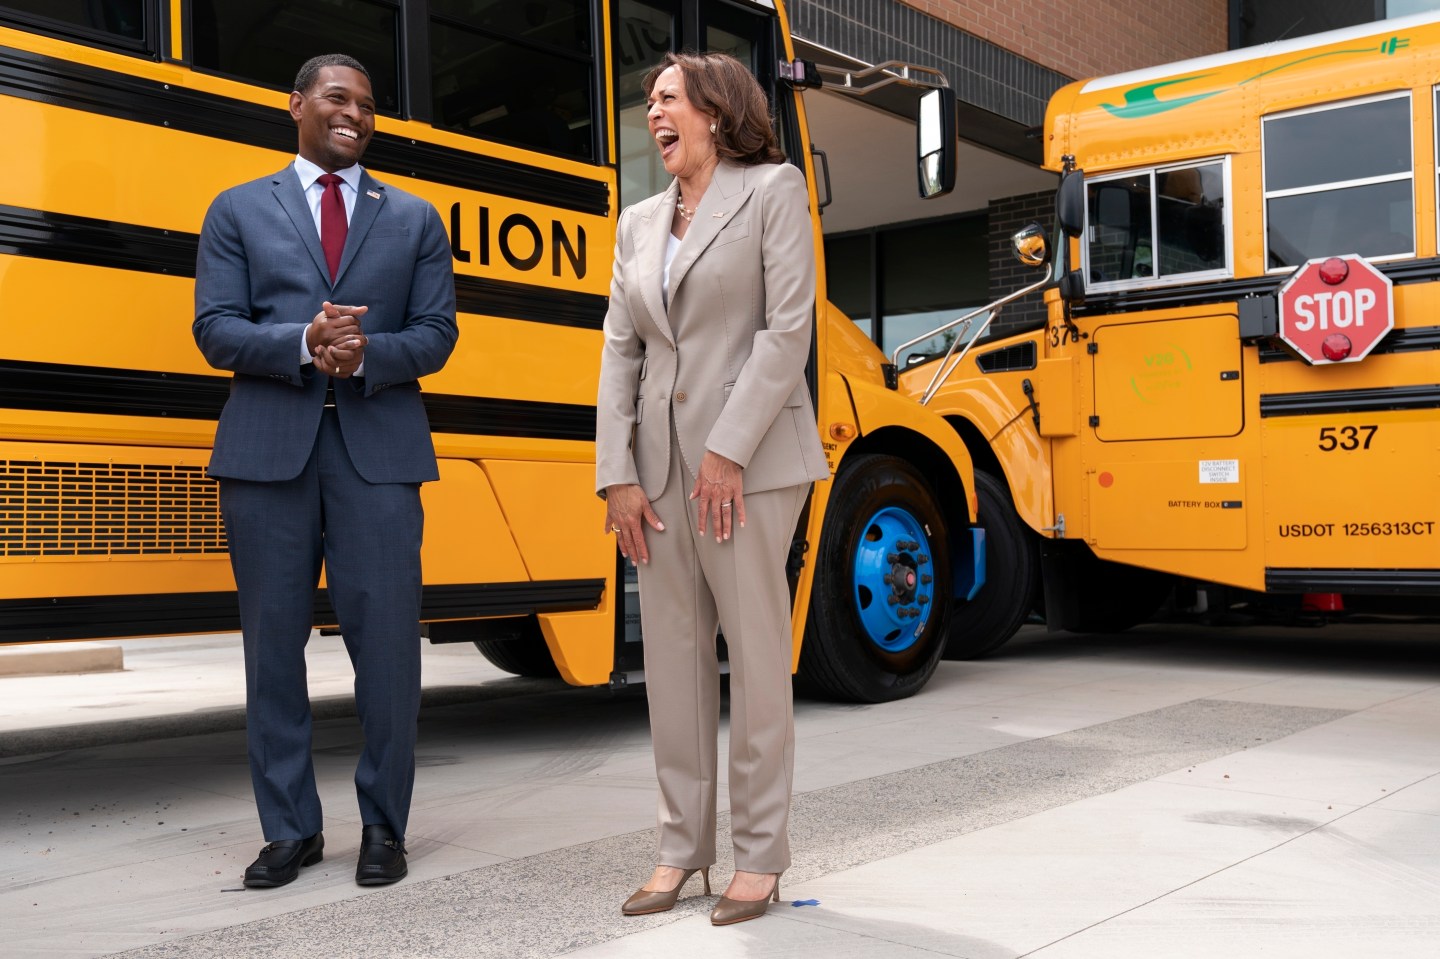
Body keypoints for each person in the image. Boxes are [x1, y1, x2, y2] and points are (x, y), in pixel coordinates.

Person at [193, 53, 458, 890]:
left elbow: (437, 334)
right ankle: (289, 830)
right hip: (267, 455)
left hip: (378, 457)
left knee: (387, 653)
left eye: (368, 106)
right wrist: (304, 343)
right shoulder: (237, 209)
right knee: (272, 650)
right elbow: (215, 327)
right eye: (338, 98)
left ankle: (384, 826)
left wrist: (365, 353)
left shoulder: (413, 219)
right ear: (297, 103)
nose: (355, 114)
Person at [595, 51, 829, 926]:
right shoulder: (638, 222)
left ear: (714, 109)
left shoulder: (772, 190)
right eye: (649, 101)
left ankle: (759, 857)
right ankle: (678, 851)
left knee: (758, 664)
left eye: (667, 98)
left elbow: (786, 331)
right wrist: (616, 472)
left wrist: (728, 449)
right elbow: (623, 347)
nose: (653, 112)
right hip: (656, 476)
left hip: (752, 468)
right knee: (673, 670)